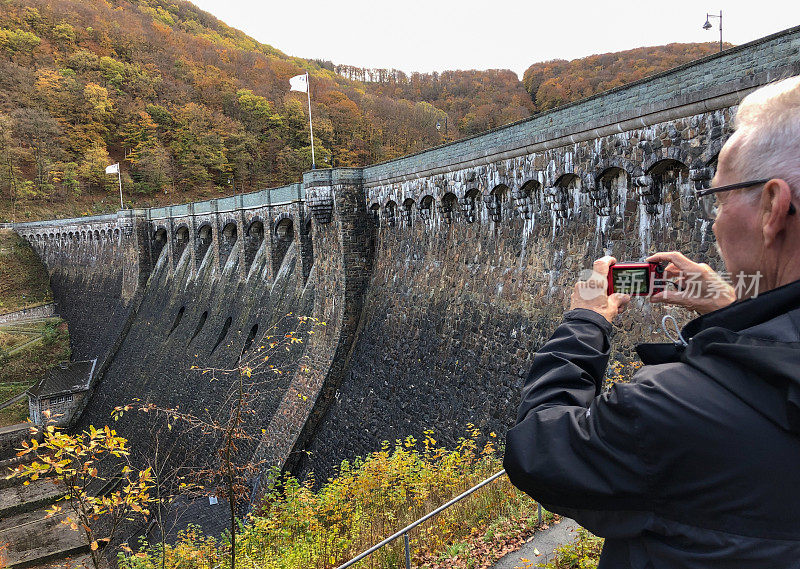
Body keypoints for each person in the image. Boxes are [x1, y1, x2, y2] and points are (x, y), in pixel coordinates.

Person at [503, 75, 800, 568]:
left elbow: (539, 449)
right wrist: (727, 305)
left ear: (773, 207)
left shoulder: (668, 410)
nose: (713, 221)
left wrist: (587, 319)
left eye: (720, 199)